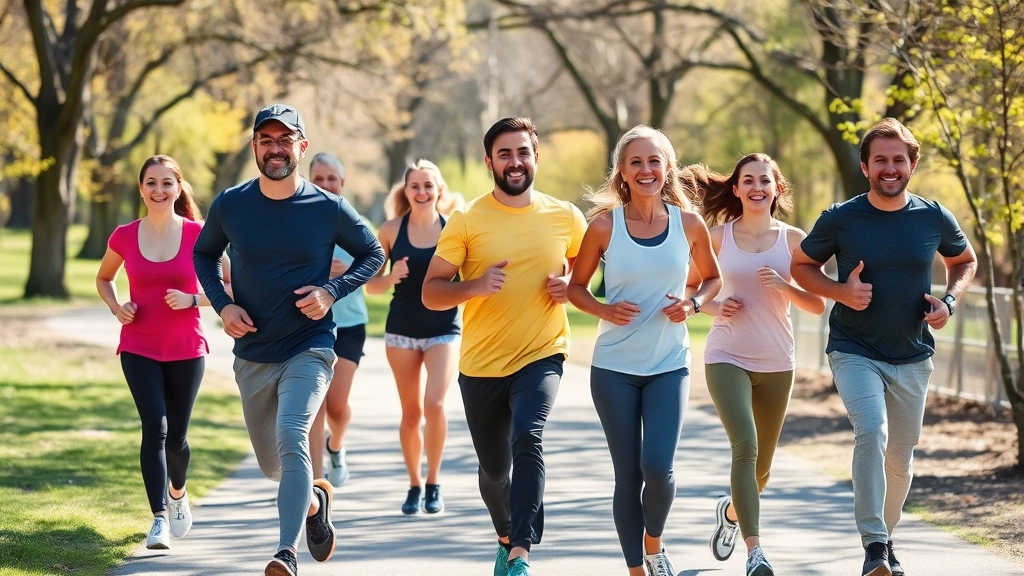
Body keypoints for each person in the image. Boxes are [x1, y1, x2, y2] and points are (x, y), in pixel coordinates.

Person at [193, 104, 385, 576]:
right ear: (254, 146)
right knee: (272, 464)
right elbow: (203, 254)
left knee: (293, 433)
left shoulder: (327, 206)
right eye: (267, 140)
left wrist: (332, 290)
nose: (275, 149)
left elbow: (373, 253)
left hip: (310, 344)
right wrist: (223, 304)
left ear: (302, 146)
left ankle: (286, 552)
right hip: (254, 351)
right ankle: (313, 501)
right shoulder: (231, 204)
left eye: (285, 140)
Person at [791, 118, 977, 576]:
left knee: (901, 457)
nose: (889, 168)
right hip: (854, 348)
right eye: (880, 160)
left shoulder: (933, 216)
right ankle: (874, 545)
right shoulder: (841, 218)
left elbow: (964, 259)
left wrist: (950, 302)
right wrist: (840, 292)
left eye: (898, 160)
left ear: (912, 165)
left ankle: (886, 539)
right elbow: (801, 266)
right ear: (865, 166)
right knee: (871, 431)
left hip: (913, 353)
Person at [422, 117, 587, 576]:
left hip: (542, 351)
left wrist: (571, 285)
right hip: (482, 365)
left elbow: (585, 269)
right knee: (495, 471)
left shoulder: (565, 216)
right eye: (505, 154)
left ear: (536, 157)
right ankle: (505, 534)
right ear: (489, 162)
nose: (515, 162)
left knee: (528, 436)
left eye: (522, 152)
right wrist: (474, 285)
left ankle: (520, 553)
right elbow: (431, 292)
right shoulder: (467, 220)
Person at [566, 125, 723, 576]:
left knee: (658, 468)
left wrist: (693, 305)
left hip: (668, 365)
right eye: (636, 161)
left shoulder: (688, 224)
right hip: (613, 367)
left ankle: (653, 542)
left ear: (667, 168)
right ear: (622, 170)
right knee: (628, 476)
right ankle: (638, 568)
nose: (646, 169)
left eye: (654, 160)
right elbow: (576, 288)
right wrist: (603, 309)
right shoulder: (603, 227)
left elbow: (713, 279)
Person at [682, 154, 825, 576]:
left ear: (777, 188)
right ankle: (755, 553)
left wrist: (785, 286)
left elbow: (817, 304)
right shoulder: (718, 237)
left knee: (761, 471)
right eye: (748, 180)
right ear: (737, 189)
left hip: (777, 361)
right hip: (726, 355)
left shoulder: (795, 240)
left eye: (765, 180)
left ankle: (731, 513)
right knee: (744, 446)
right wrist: (713, 306)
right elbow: (688, 288)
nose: (757, 187)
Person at [96, 155, 225, 550]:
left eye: (167, 183)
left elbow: (233, 286)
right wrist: (117, 307)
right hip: (138, 345)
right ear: (141, 189)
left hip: (186, 347)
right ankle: (158, 520)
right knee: (156, 428)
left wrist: (193, 299)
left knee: (177, 439)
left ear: (178, 187)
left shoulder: (199, 234)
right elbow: (104, 277)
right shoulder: (123, 235)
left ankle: (178, 492)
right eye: (151, 183)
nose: (159, 190)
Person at [365, 160, 461, 515]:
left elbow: (470, 277)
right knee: (411, 413)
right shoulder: (391, 230)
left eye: (428, 185)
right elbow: (371, 285)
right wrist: (392, 277)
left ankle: (433, 482)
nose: (422, 192)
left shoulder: (454, 228)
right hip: (401, 332)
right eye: (415, 186)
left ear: (439, 190)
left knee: (434, 404)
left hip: (443, 329)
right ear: (405, 191)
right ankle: (414, 484)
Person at [307, 152, 368, 488]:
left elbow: (375, 270)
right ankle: (316, 485)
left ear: (342, 183)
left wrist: (350, 272)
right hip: (311, 324)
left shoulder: (357, 223)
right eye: (319, 179)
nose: (326, 184)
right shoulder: (299, 221)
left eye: (332, 179)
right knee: (314, 405)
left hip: (349, 326)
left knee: (336, 405)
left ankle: (337, 445)